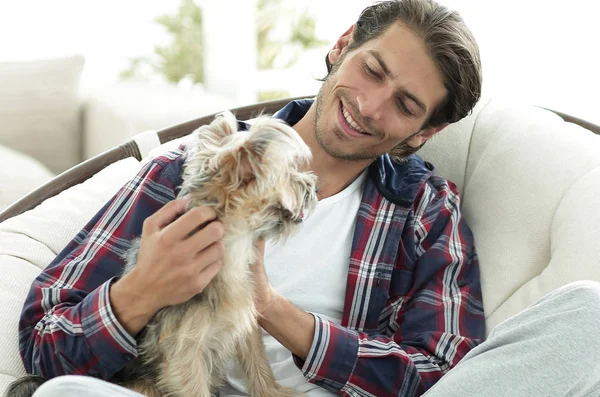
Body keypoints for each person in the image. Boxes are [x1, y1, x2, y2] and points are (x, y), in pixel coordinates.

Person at [15, 1, 600, 397]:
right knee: (69, 394)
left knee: (590, 317)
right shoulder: (192, 171)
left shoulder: (424, 211)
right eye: (373, 70)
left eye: (406, 105)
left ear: (424, 133)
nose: (371, 107)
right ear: (341, 46)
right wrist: (140, 292)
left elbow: (441, 374)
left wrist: (271, 307)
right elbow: (45, 343)